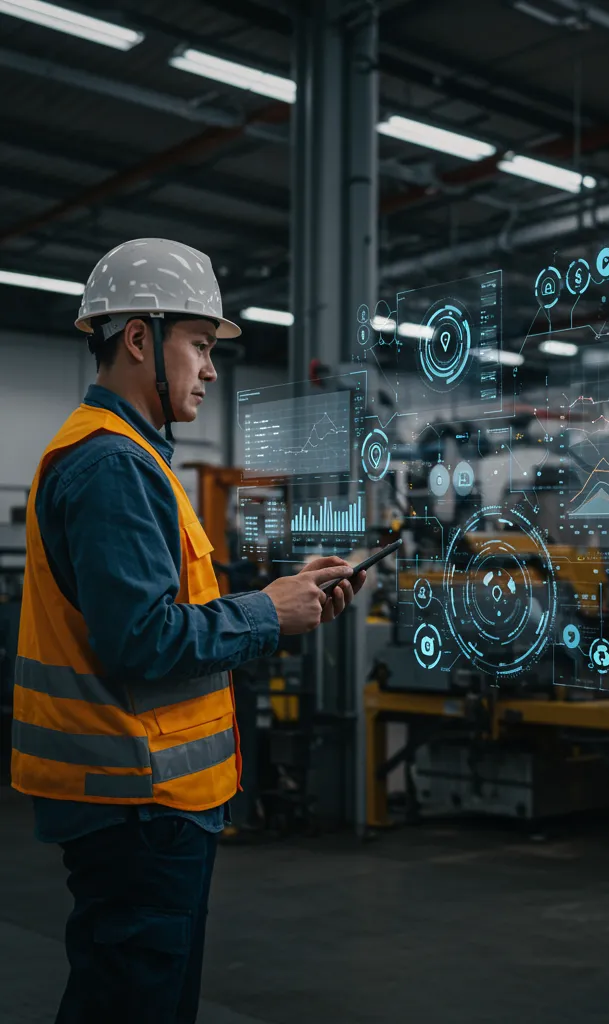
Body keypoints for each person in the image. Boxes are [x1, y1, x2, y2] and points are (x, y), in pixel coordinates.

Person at [9, 238, 366, 1023]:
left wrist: (286, 597)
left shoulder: (133, 458)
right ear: (140, 338)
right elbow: (141, 639)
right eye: (200, 345)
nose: (210, 369)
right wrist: (267, 612)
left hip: (148, 804)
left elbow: (168, 606)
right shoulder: (112, 465)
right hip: (137, 806)